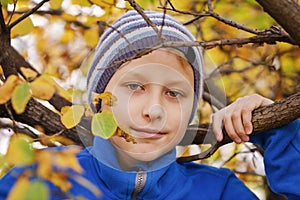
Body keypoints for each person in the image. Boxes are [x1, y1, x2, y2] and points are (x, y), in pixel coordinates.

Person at [0, 10, 299, 200]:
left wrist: (279, 134)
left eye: (174, 93)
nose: (153, 109)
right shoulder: (39, 177)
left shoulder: (218, 192)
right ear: (98, 100)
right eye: (134, 87)